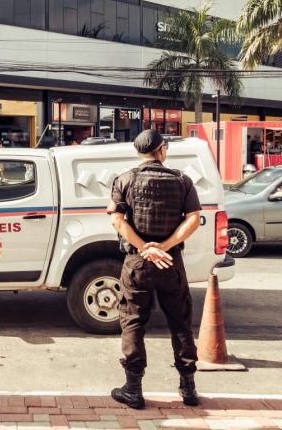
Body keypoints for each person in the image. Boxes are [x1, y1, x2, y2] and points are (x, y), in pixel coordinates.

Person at [107, 129, 202, 410]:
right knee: (180, 323)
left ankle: (133, 390)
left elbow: (117, 221)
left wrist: (144, 248)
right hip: (170, 262)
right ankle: (188, 388)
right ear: (162, 150)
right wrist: (165, 246)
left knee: (133, 322)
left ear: (139, 152)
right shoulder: (182, 180)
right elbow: (194, 219)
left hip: (137, 264)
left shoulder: (124, 180)